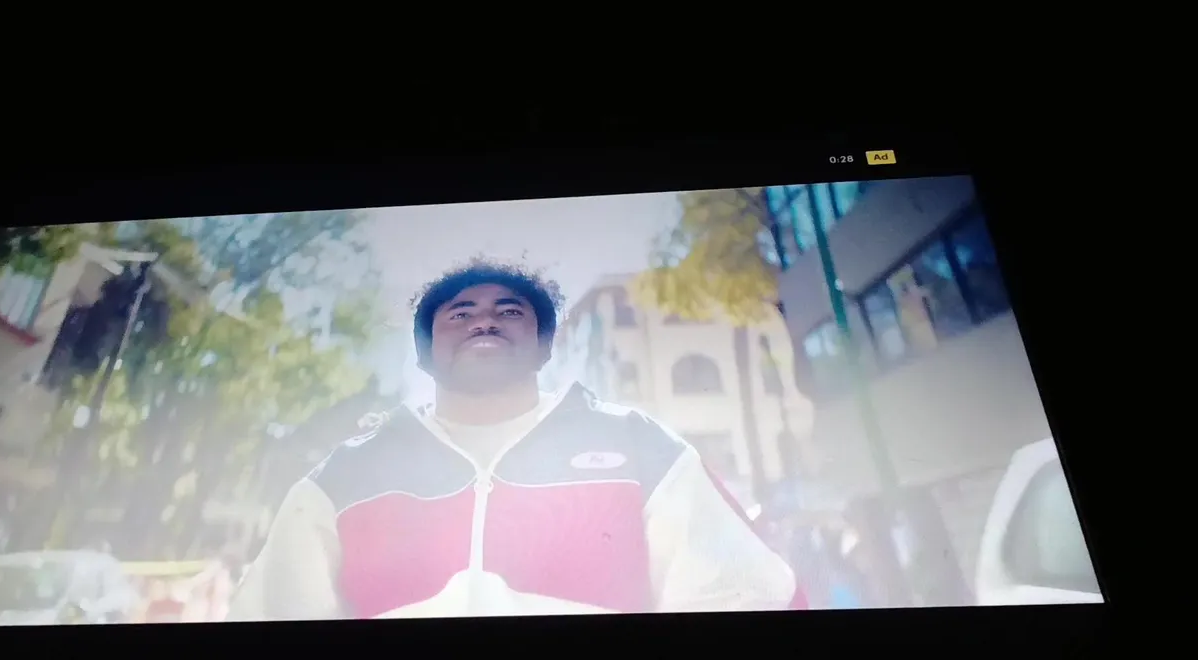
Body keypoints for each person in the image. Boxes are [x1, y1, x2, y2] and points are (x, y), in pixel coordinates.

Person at [228, 260, 806, 620]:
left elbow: (744, 592)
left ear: (544, 346)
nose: (485, 321)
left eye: (509, 311)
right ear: (424, 354)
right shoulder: (343, 476)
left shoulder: (640, 445)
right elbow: (271, 614)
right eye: (459, 314)